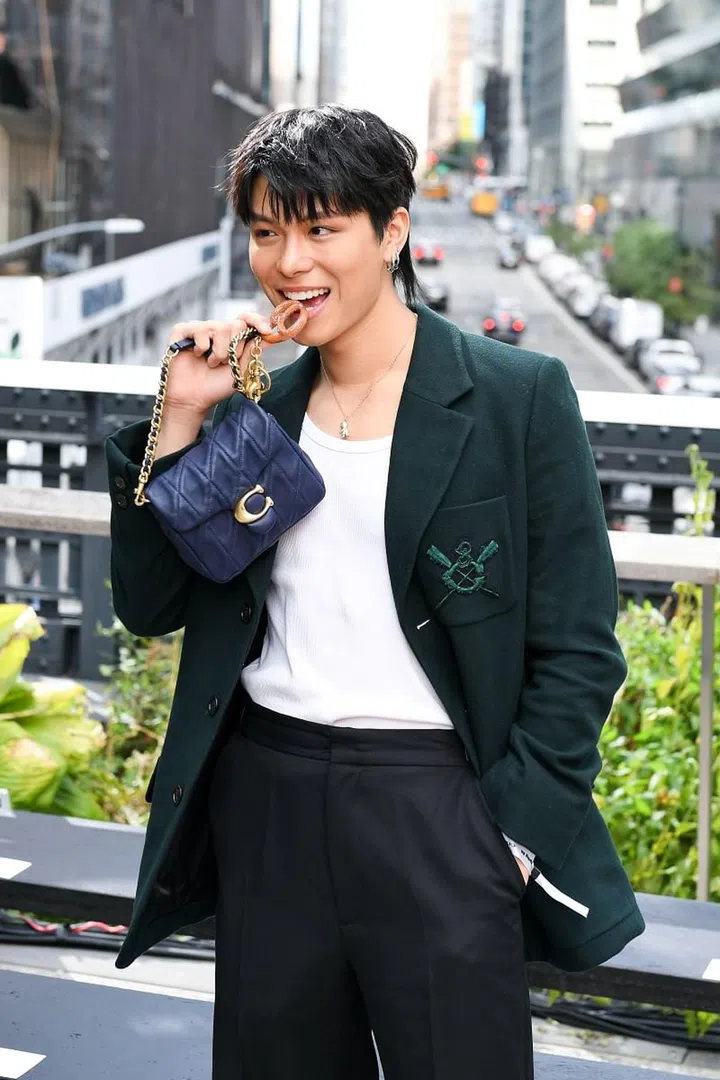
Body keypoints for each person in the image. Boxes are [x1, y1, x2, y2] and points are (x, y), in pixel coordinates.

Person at [106, 105, 644, 1079]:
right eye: (266, 231)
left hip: (440, 810)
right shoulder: (257, 407)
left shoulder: (515, 396)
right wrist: (179, 417)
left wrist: (511, 839)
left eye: (321, 228)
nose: (289, 262)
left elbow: (578, 647)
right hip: (268, 797)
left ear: (392, 230)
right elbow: (150, 605)